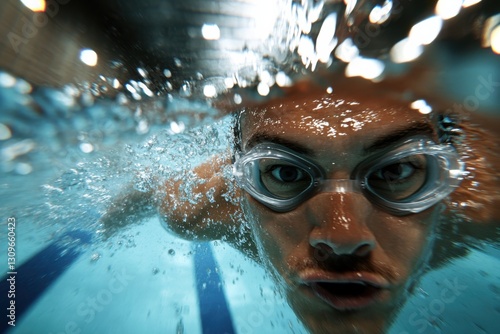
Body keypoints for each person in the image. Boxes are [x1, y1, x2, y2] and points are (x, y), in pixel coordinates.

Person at [103, 77, 500, 334]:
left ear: (445, 180)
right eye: (286, 174)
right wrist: (110, 219)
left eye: (396, 172)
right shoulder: (201, 205)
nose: (342, 238)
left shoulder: (483, 208)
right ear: (241, 184)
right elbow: (149, 188)